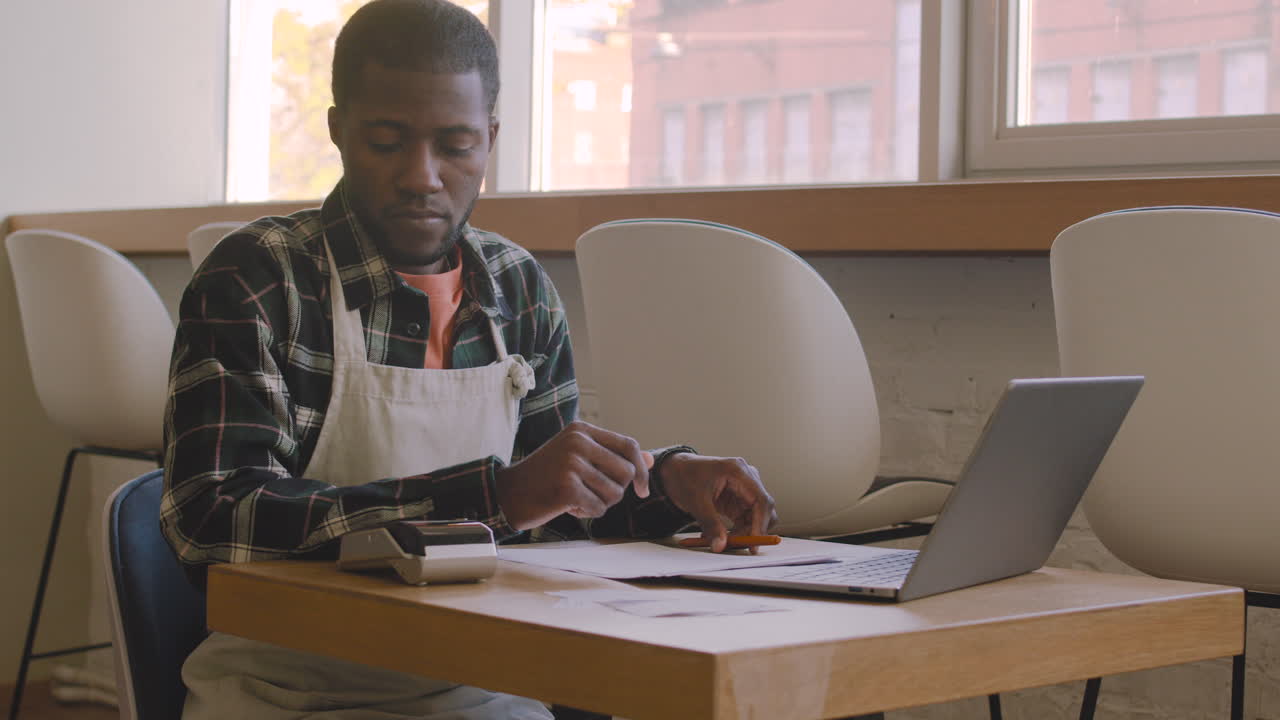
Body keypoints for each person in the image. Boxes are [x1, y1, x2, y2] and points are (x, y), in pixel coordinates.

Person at [160, 1, 777, 717]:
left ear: (490, 139)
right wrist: (495, 497)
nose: (422, 176)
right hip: (287, 692)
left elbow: (553, 510)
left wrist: (665, 482)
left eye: (455, 146)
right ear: (338, 132)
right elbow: (211, 521)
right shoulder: (259, 279)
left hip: (484, 689)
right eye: (387, 141)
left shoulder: (519, 289)